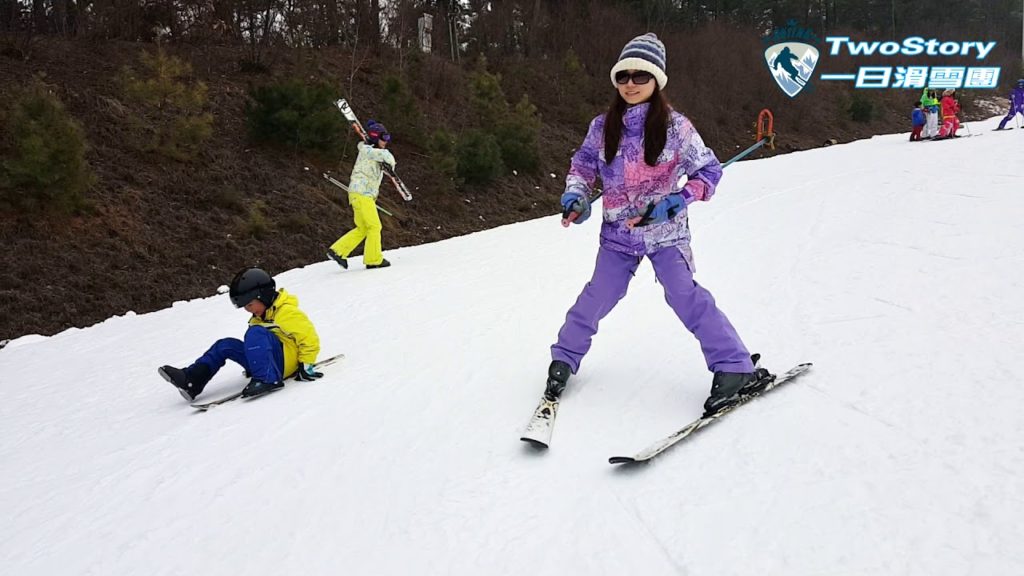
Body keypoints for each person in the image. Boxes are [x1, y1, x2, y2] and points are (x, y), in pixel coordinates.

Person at [546, 32, 767, 417]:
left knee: (685, 296)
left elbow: (708, 171)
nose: (630, 84)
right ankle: (564, 359)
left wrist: (678, 200)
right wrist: (576, 196)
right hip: (617, 235)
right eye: (623, 76)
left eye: (640, 76)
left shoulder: (677, 127)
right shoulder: (602, 126)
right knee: (596, 298)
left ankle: (734, 367)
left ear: (657, 81)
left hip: (666, 234)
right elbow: (582, 167)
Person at [158, 267, 322, 400]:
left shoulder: (286, 313)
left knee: (256, 333)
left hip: (285, 363)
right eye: (245, 307)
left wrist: (306, 366)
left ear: (263, 296)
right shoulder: (260, 316)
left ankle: (267, 379)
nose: (248, 310)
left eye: (250, 305)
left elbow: (309, 338)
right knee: (225, 345)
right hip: (270, 361)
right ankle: (191, 380)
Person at [326, 120, 396, 270]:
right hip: (363, 194)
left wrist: (387, 167)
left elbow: (385, 162)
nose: (386, 142)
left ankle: (338, 250)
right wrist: (389, 163)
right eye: (384, 138)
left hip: (358, 195)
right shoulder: (369, 151)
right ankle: (373, 259)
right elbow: (388, 157)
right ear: (376, 137)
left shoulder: (370, 152)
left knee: (363, 228)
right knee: (375, 226)